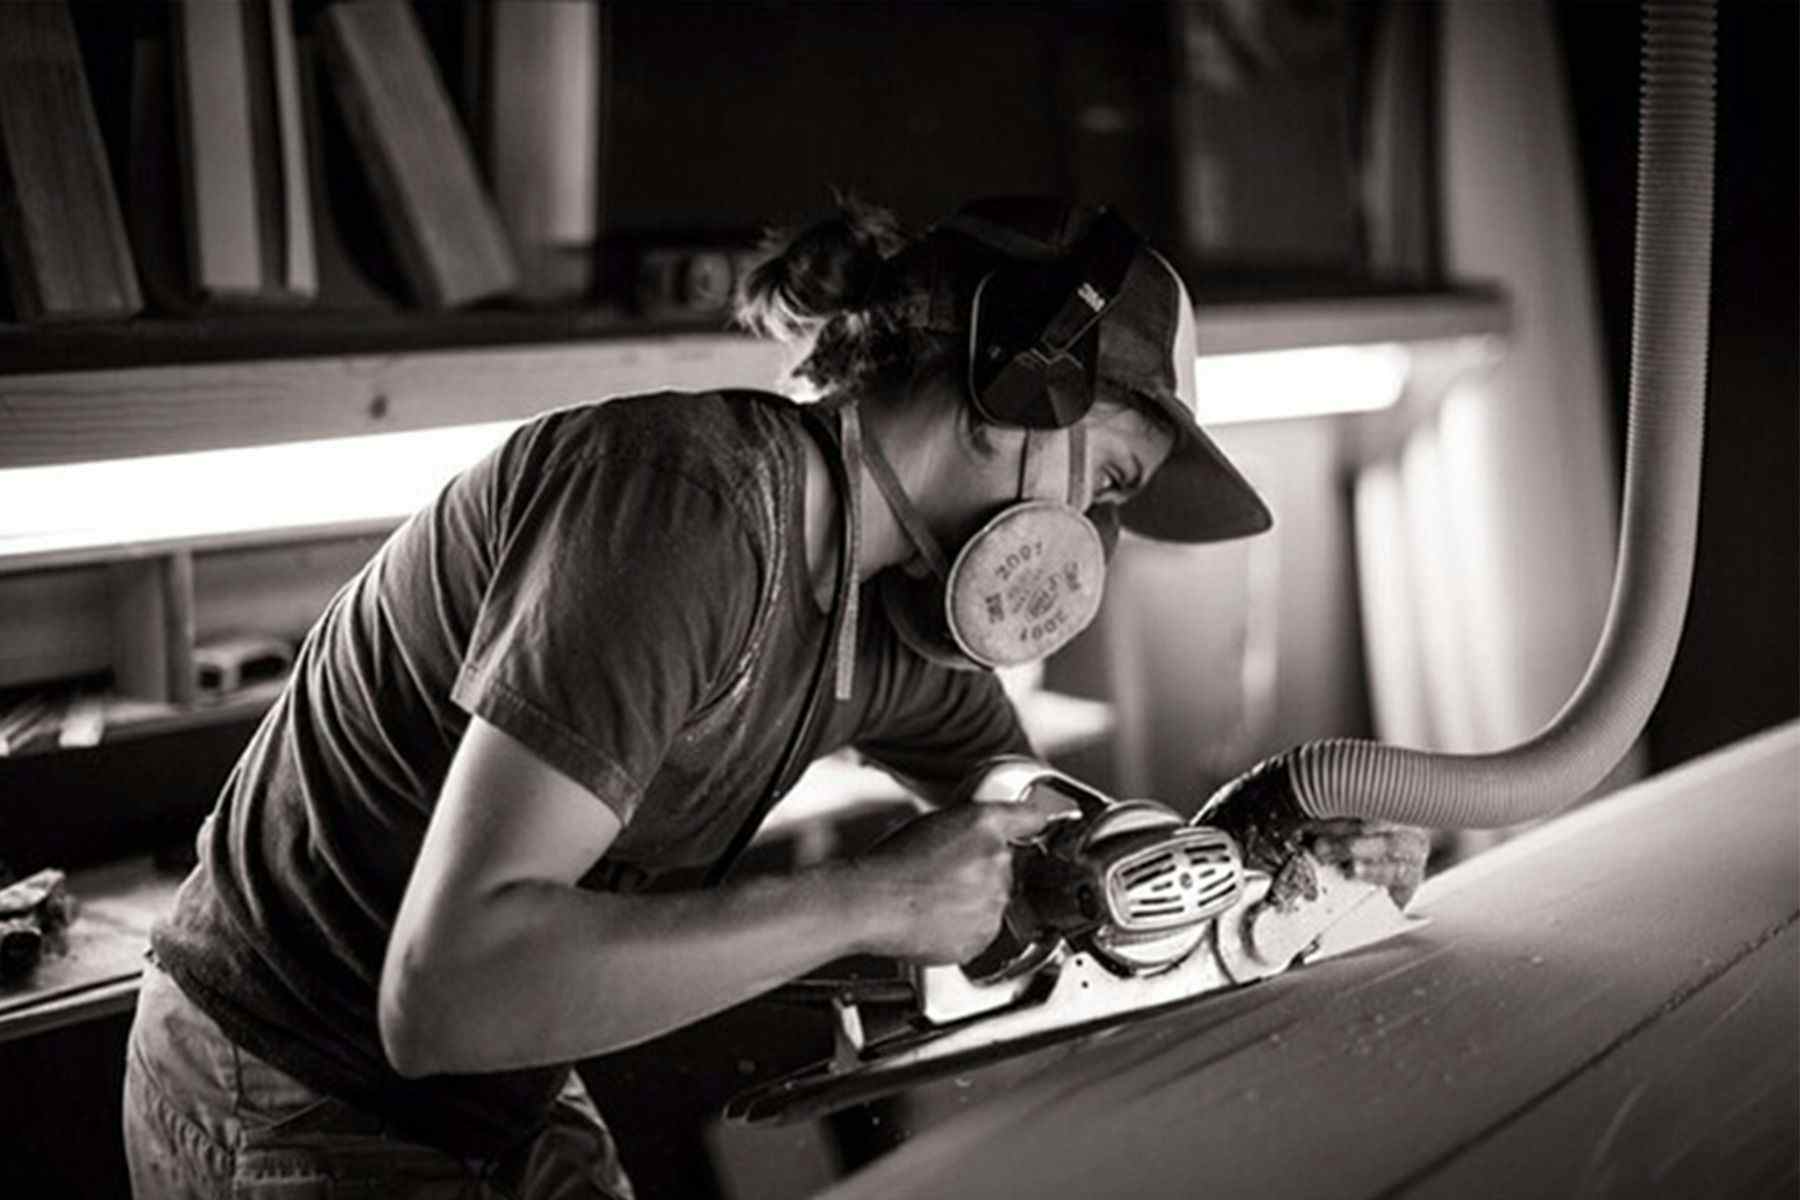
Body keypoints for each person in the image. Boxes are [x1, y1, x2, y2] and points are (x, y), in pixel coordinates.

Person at [122, 196, 1428, 1198]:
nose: (1098, 534)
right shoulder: (686, 511)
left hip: (500, 1086)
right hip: (280, 1080)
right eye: (1112, 484)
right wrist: (875, 900)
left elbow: (1032, 820)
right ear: (1024, 382)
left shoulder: (908, 607)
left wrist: (1254, 856)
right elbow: (448, 990)